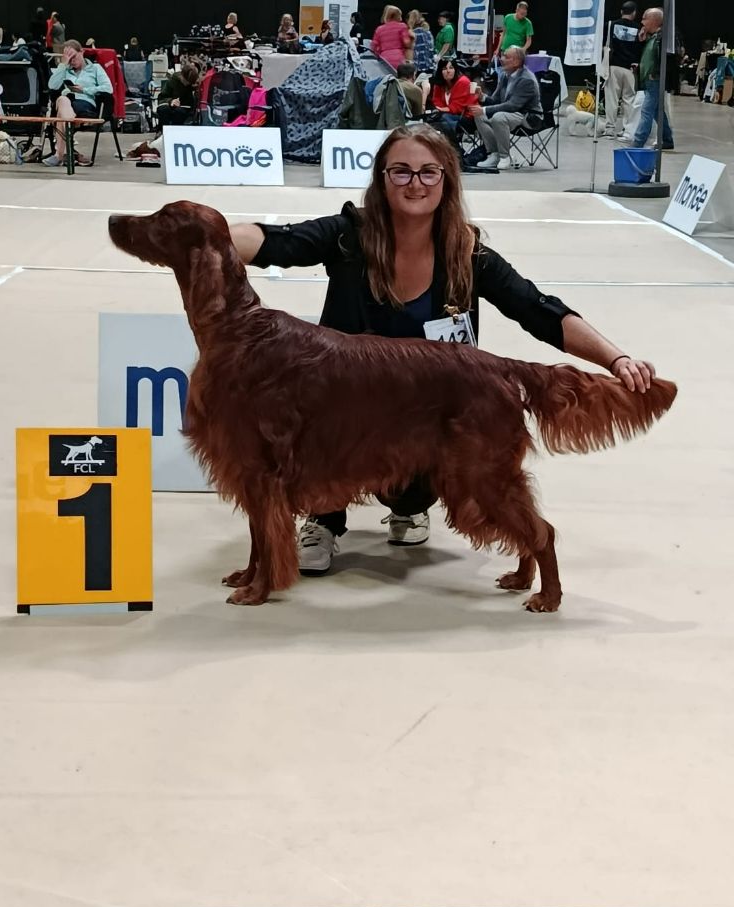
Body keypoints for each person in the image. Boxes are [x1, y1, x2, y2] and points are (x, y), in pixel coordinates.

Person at [225, 124, 657, 573]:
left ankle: (410, 503)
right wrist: (209, 233)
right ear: (382, 178)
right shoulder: (348, 235)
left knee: (441, 460)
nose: (415, 183)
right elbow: (275, 242)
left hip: (423, 415)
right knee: (314, 417)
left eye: (429, 172)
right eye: (402, 171)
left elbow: (538, 309)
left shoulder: (467, 254)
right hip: (342, 409)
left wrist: (615, 358)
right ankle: (324, 520)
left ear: (447, 180)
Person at [470, 45, 542, 170]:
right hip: (511, 113)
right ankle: (494, 154)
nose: (502, 59)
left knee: (499, 117)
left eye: (506, 57)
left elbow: (513, 105)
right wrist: (482, 97)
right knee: (479, 114)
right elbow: (496, 100)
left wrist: (485, 109)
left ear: (517, 61)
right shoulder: (504, 75)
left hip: (528, 115)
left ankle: (505, 157)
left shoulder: (526, 79)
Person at [42, 39, 112, 166]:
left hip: (85, 105)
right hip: (67, 102)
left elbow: (108, 88)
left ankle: (60, 154)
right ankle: (65, 153)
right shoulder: (65, 70)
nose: (72, 61)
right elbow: (52, 86)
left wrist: (85, 89)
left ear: (82, 52)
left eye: (73, 56)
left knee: (61, 114)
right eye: (68, 58)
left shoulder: (95, 68)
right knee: (63, 99)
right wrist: (63, 65)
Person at [632, 7, 674, 151]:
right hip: (649, 81)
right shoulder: (652, 38)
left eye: (645, 18)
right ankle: (667, 139)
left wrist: (657, 73)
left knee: (646, 111)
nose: (642, 21)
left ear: (654, 20)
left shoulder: (663, 38)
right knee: (657, 112)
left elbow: (668, 60)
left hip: (655, 80)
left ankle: (638, 142)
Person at [604, 1, 641, 139]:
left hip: (613, 66)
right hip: (630, 68)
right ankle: (627, 130)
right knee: (629, 100)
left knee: (611, 98)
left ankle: (609, 129)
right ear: (634, 13)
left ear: (621, 11)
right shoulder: (639, 28)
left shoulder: (611, 25)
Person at [431, 57, 474, 136]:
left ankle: (454, 147)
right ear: (440, 71)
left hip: (467, 117)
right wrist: (439, 110)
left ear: (455, 70)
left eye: (451, 68)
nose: (448, 71)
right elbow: (436, 100)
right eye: (444, 68)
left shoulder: (463, 81)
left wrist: (441, 110)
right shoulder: (439, 83)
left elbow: (457, 107)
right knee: (432, 119)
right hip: (448, 115)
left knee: (443, 119)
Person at [155, 62, 199, 131]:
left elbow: (191, 104)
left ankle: (175, 132)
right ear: (181, 75)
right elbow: (162, 97)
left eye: (188, 82)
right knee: (163, 110)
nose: (186, 83)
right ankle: (163, 131)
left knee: (179, 112)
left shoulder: (192, 85)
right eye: (185, 81)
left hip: (184, 107)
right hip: (169, 104)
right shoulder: (173, 81)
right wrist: (171, 101)